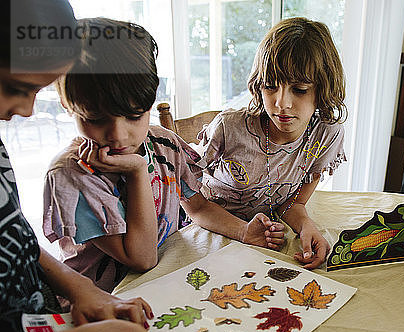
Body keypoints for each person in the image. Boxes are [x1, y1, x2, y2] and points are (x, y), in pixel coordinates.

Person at [43, 18, 285, 293]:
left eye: (134, 116)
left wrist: (243, 231)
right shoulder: (71, 176)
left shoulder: (164, 144)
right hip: (107, 302)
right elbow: (142, 258)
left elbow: (199, 207)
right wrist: (136, 172)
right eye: (96, 119)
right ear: (68, 106)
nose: (118, 135)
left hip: (166, 281)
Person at [0, 0, 163, 332]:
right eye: (14, 88)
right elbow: (141, 256)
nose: (26, 110)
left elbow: (16, 240)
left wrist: (79, 287)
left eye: (36, 91)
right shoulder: (69, 174)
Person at [197, 17, 347, 269]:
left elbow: (293, 203)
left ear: (323, 90)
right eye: (270, 87)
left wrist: (306, 226)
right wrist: (243, 231)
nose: (281, 104)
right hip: (210, 229)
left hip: (260, 238)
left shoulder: (326, 135)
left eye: (299, 89)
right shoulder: (229, 128)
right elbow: (189, 199)